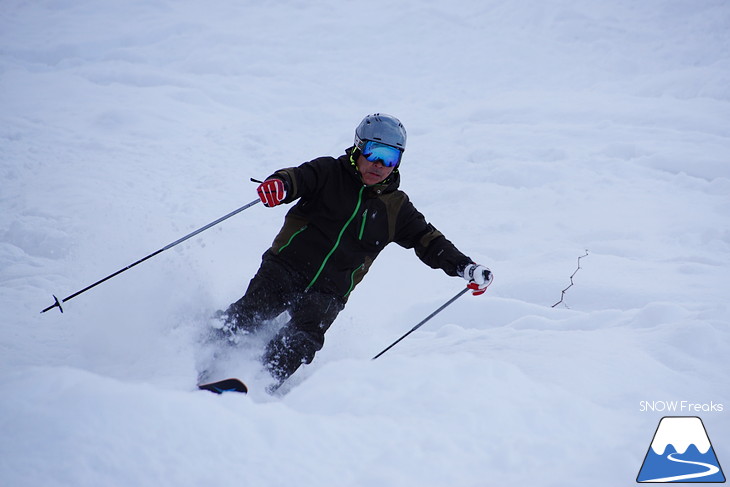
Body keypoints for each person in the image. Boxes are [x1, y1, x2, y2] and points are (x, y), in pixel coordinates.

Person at [215, 113, 492, 388]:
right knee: (247, 317)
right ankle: (203, 356)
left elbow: (430, 241)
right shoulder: (328, 173)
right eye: (375, 152)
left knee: (303, 340)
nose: (380, 165)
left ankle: (257, 385)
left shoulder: (396, 207)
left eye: (391, 158)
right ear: (359, 147)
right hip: (286, 267)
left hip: (330, 291)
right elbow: (297, 178)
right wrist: (280, 185)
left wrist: (465, 267)